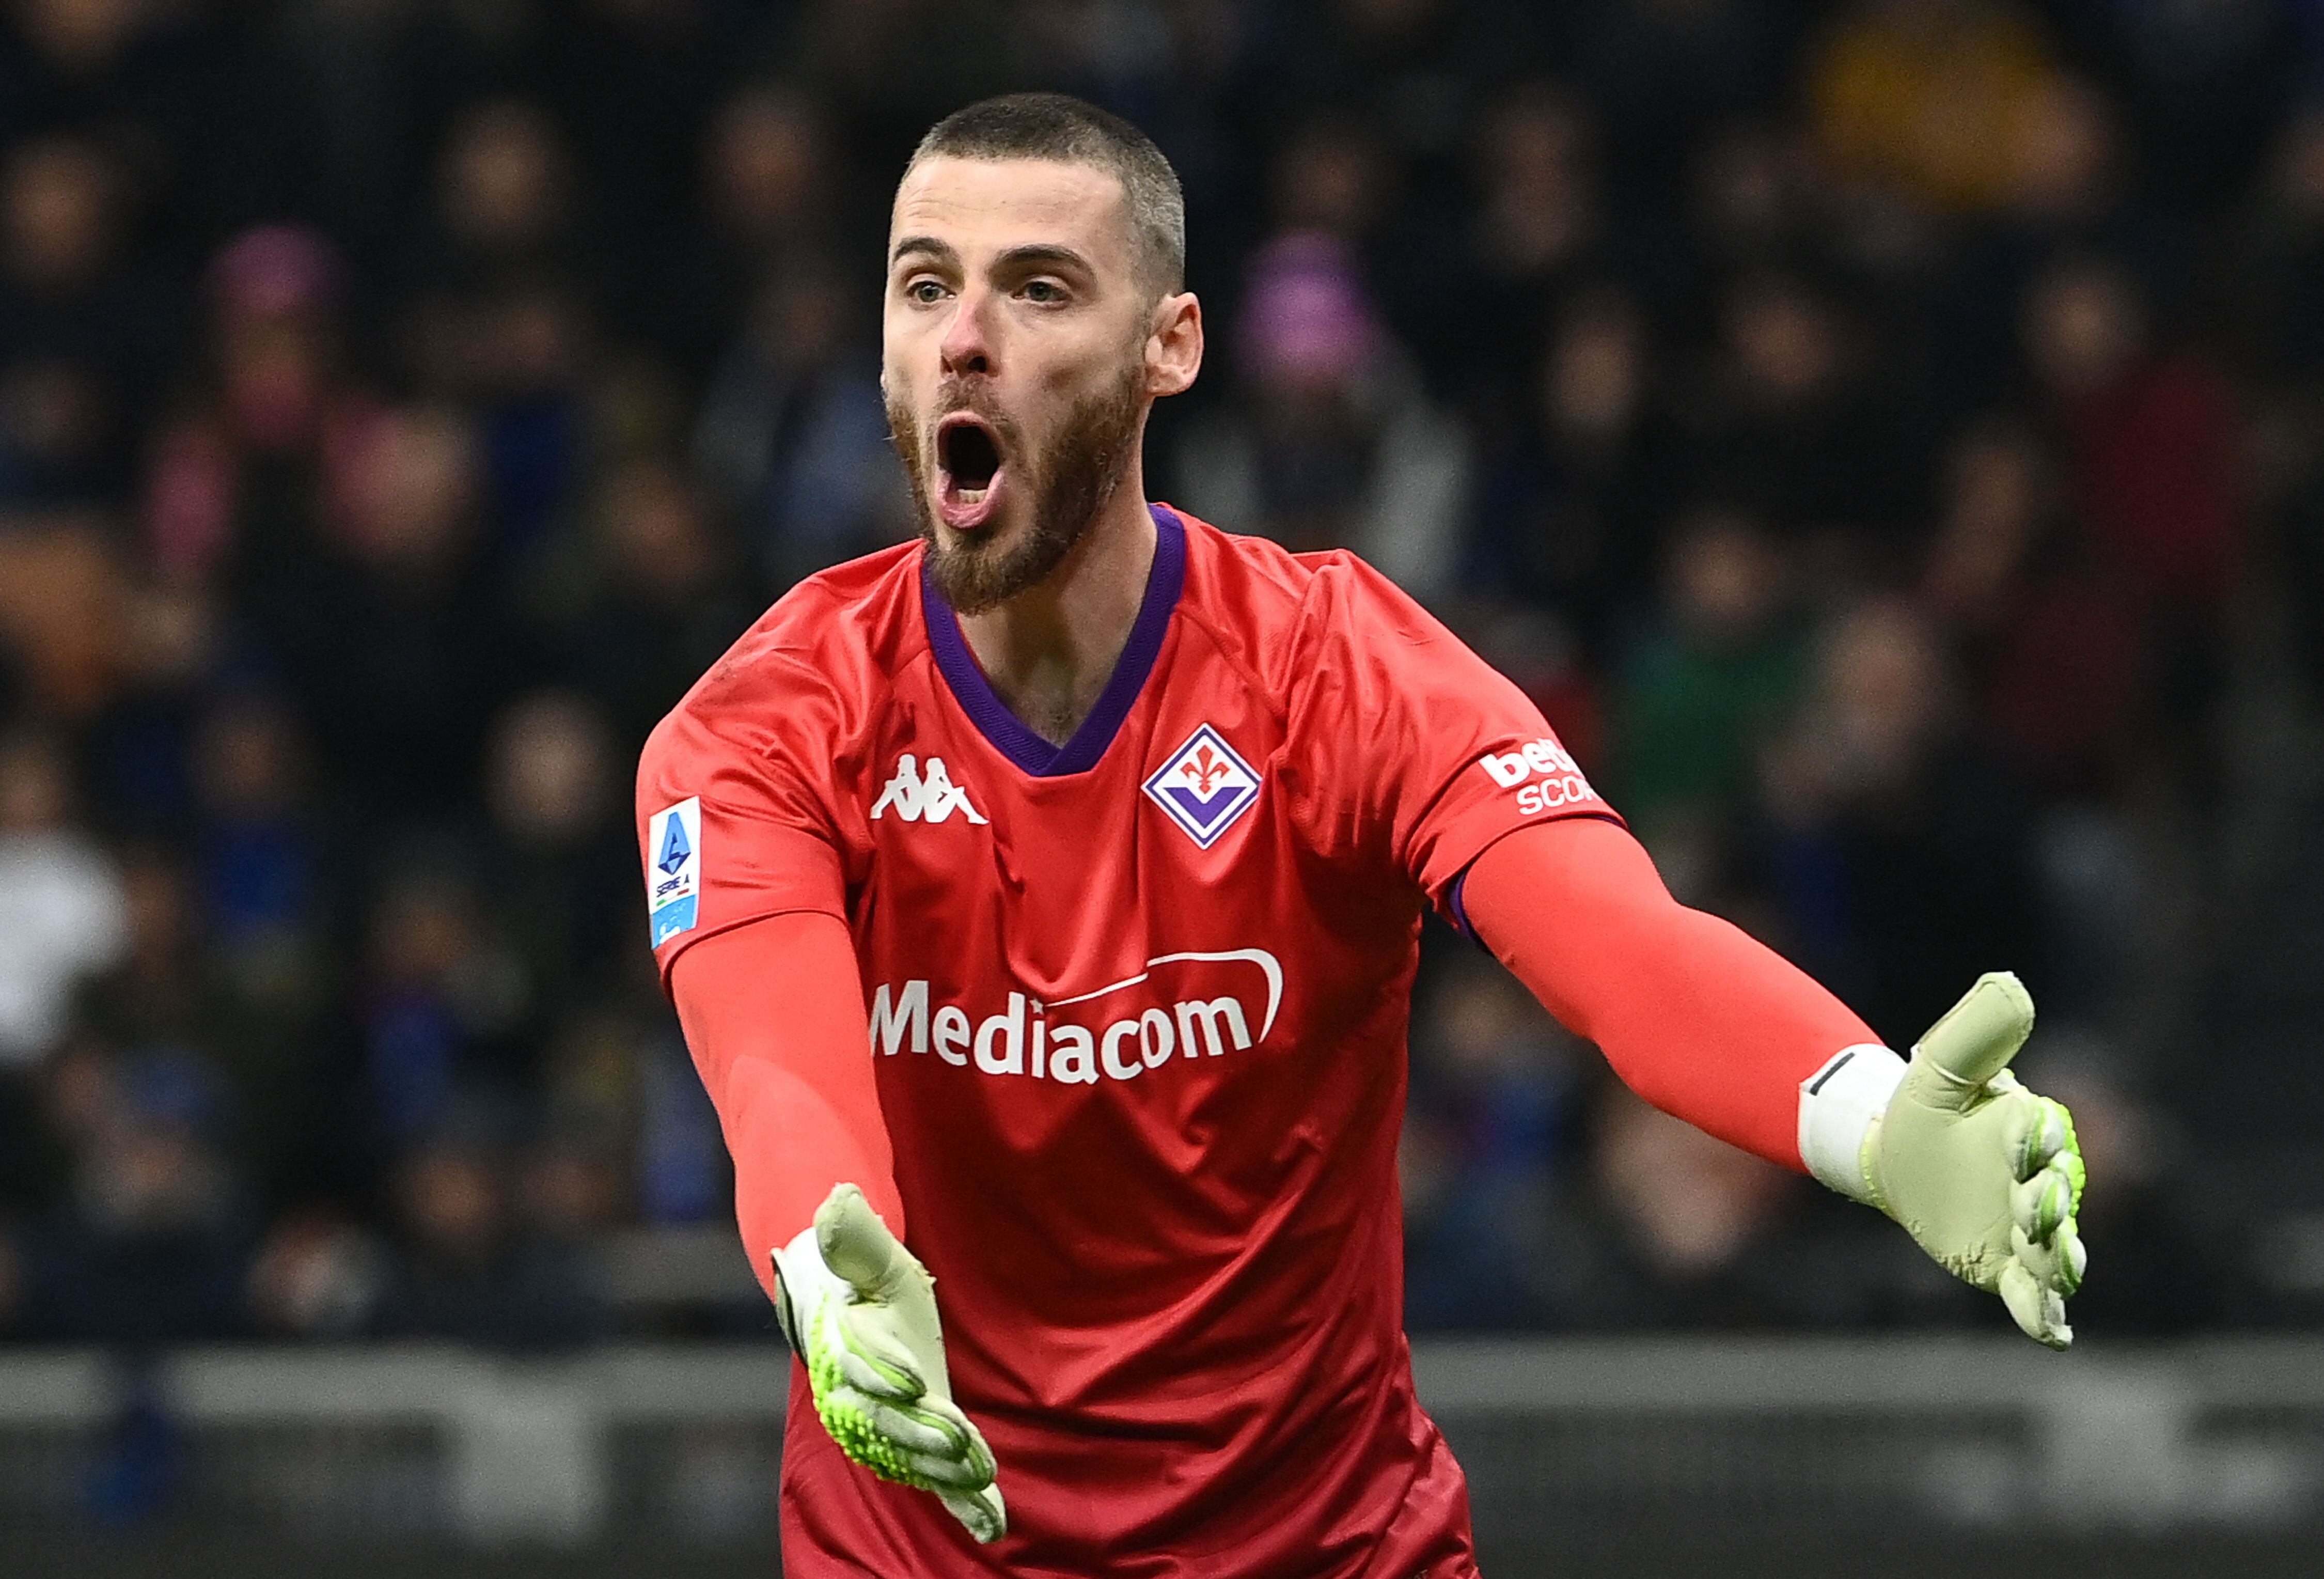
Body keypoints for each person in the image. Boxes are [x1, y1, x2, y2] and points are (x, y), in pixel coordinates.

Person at [635, 94, 2087, 1576]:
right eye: (924, 284)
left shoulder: (1342, 670)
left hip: (1323, 1552)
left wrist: (1872, 1118)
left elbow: (1625, 954)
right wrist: (828, 1280)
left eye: (1040, 288)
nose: (963, 335)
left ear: (1171, 348)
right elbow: (776, 1069)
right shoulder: (760, 729)